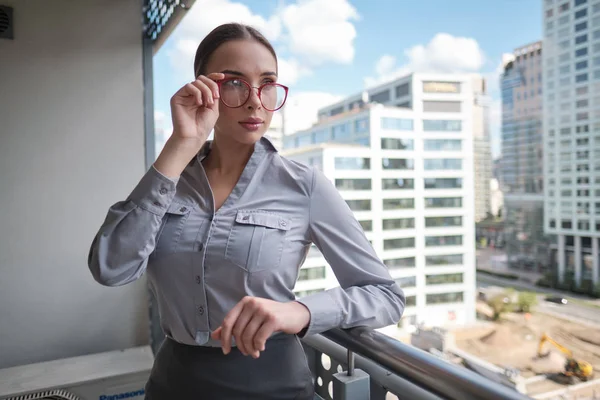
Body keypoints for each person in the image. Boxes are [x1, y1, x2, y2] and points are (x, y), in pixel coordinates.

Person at [88, 22, 405, 400]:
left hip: (275, 386)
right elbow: (111, 268)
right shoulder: (167, 182)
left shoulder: (305, 186)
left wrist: (299, 312)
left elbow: (385, 296)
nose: (256, 100)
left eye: (267, 83)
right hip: (173, 385)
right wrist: (179, 145)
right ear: (203, 89)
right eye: (235, 83)